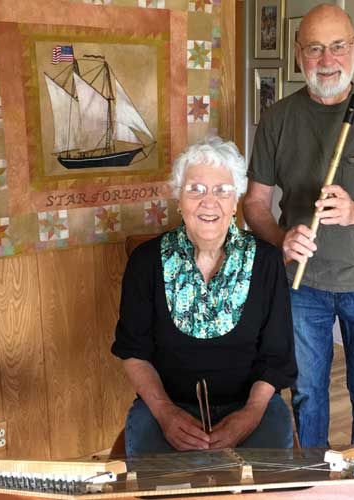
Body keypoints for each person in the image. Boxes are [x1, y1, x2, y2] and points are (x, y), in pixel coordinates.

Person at [243, 4, 354, 447]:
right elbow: (254, 204)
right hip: (302, 288)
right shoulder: (277, 119)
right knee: (306, 394)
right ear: (299, 52)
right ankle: (315, 483)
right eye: (316, 48)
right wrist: (282, 239)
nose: (328, 60)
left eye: (338, 46)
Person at [112, 136, 297, 456]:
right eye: (195, 189)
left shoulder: (266, 262)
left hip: (252, 407)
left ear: (235, 200)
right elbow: (134, 352)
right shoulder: (146, 263)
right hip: (167, 408)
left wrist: (250, 416)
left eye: (222, 190)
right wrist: (165, 413)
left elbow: (276, 357)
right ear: (178, 200)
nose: (209, 202)